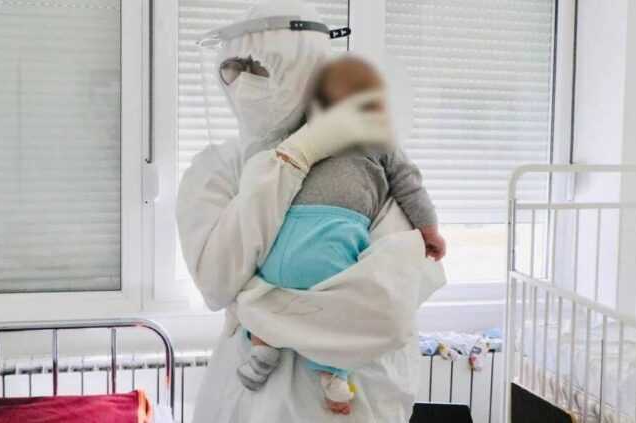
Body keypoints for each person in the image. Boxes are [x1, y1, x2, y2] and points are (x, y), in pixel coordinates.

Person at [177, 1, 446, 421]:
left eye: (260, 67)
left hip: (351, 400)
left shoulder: (368, 163)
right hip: (247, 400)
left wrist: (252, 305)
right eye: (232, 68)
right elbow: (216, 282)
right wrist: (297, 154)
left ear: (310, 71)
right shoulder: (215, 168)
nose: (244, 83)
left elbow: (382, 309)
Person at [237, 56, 447, 415]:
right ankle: (334, 376)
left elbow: (266, 157)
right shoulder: (380, 140)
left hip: (284, 235)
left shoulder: (304, 131)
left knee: (269, 292)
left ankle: (261, 346)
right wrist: (429, 231)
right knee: (341, 313)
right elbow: (410, 185)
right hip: (335, 233)